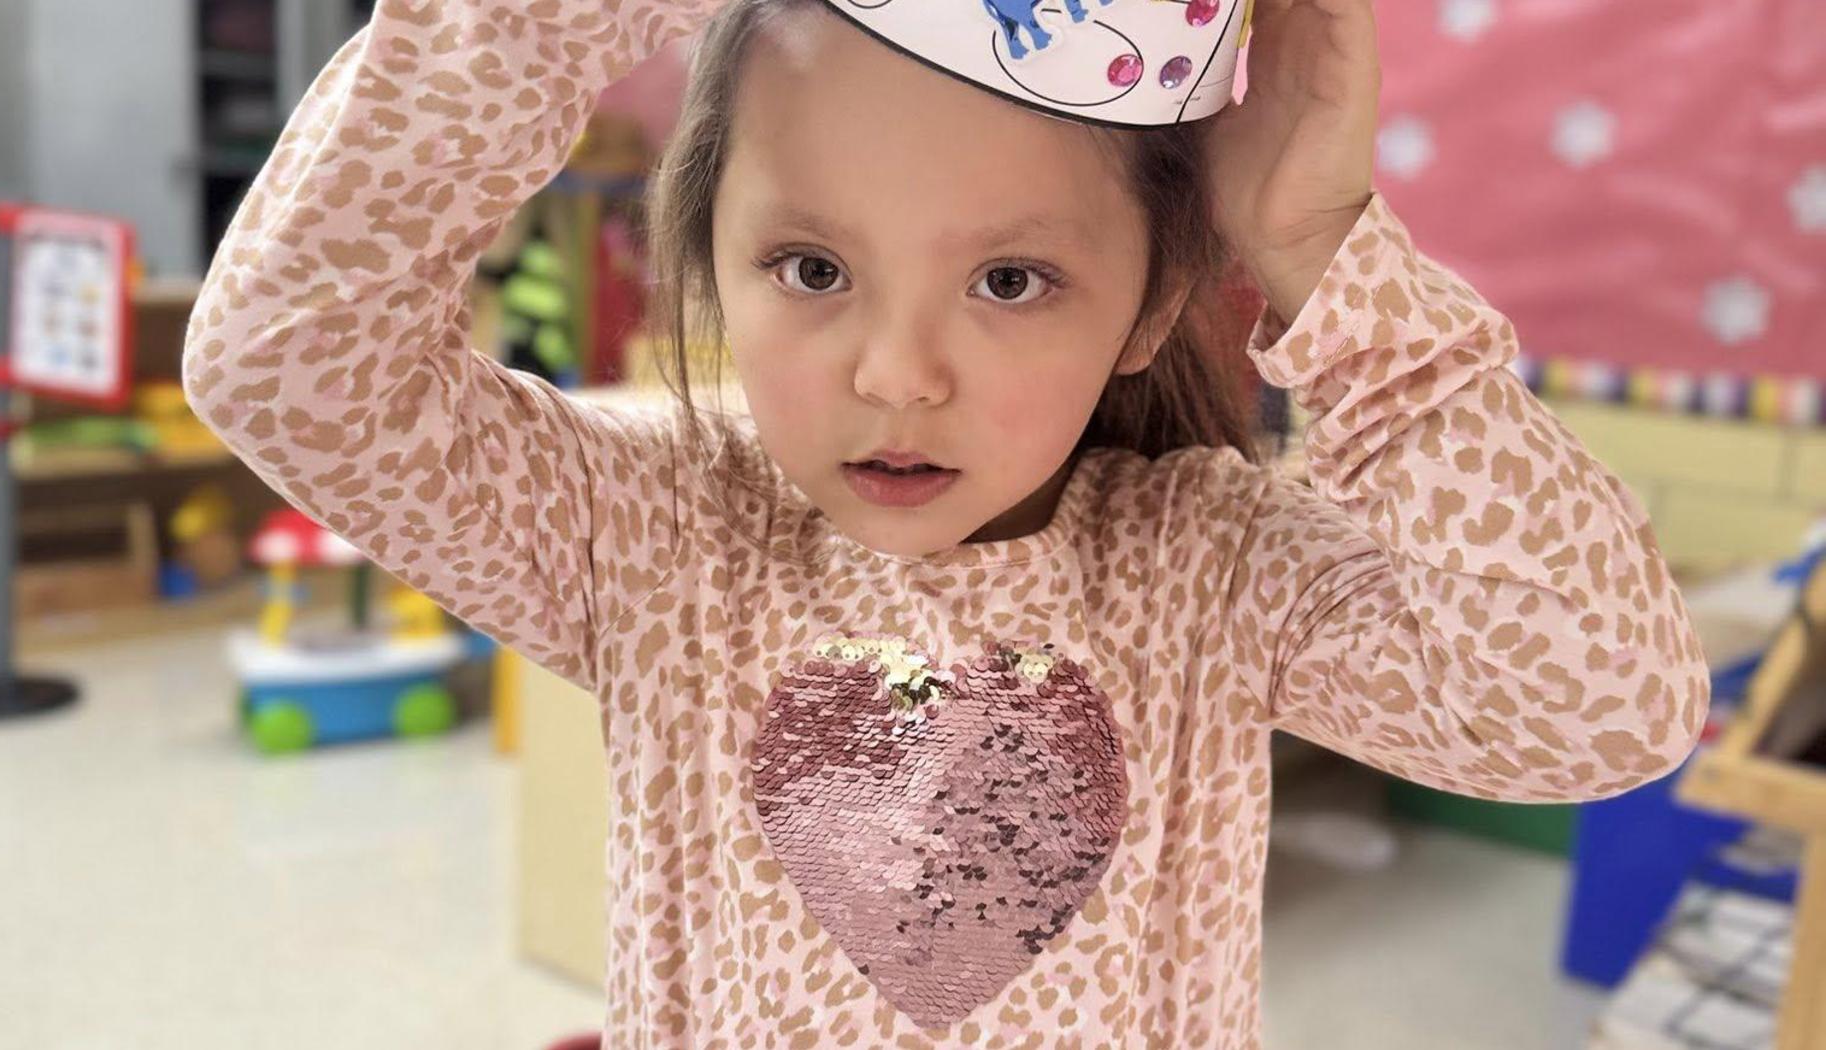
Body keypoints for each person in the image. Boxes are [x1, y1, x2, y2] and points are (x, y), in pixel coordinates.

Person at [181, 0, 1709, 1044]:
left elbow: (1605, 707)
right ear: (708, 253)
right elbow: (283, 364)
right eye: (810, 267)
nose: (895, 374)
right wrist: (527, 25)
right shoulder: (645, 531)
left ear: (1149, 302)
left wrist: (1321, 253)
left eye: (1009, 280)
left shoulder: (1208, 568)